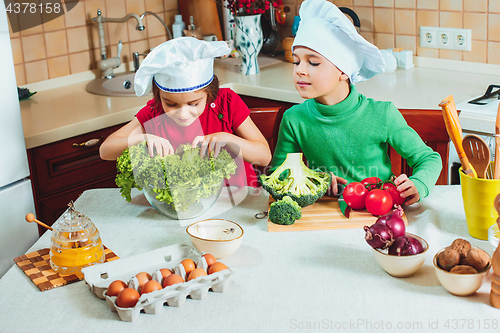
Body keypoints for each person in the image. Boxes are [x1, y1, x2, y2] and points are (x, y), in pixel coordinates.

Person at [270, 0, 442, 205]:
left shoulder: (382, 114)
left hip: (378, 212)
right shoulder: (294, 119)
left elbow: (429, 159)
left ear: (343, 71)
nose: (299, 70)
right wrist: (313, 180)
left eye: (313, 62)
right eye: (297, 61)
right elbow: (276, 175)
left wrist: (419, 183)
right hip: (323, 213)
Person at [100, 37, 271, 188]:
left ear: (209, 94)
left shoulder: (226, 103)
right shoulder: (154, 112)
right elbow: (106, 151)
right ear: (159, 96)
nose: (183, 113)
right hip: (186, 209)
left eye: (193, 103)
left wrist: (228, 138)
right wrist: (143, 139)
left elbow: (264, 156)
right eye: (171, 104)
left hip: (239, 203)